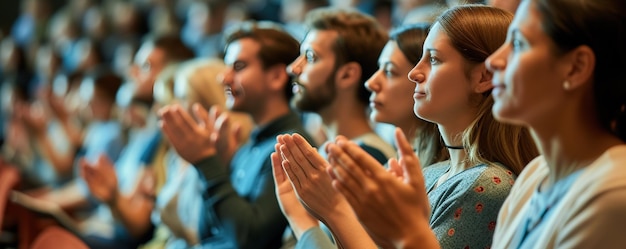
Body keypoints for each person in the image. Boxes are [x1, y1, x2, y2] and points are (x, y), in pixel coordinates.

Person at [324, 4, 538, 249]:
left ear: (483, 77)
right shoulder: (434, 172)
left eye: (434, 59)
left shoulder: (488, 185)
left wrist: (333, 212)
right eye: (421, 59)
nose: (414, 73)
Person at [273, 22, 449, 249]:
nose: (371, 82)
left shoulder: (370, 156)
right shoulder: (405, 165)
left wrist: (306, 219)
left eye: (389, 71)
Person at [158, 21, 313, 249]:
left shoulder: (291, 145)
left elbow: (249, 238)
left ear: (277, 77)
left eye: (238, 67)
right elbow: (208, 233)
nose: (224, 78)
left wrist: (206, 163)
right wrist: (219, 162)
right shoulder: (250, 145)